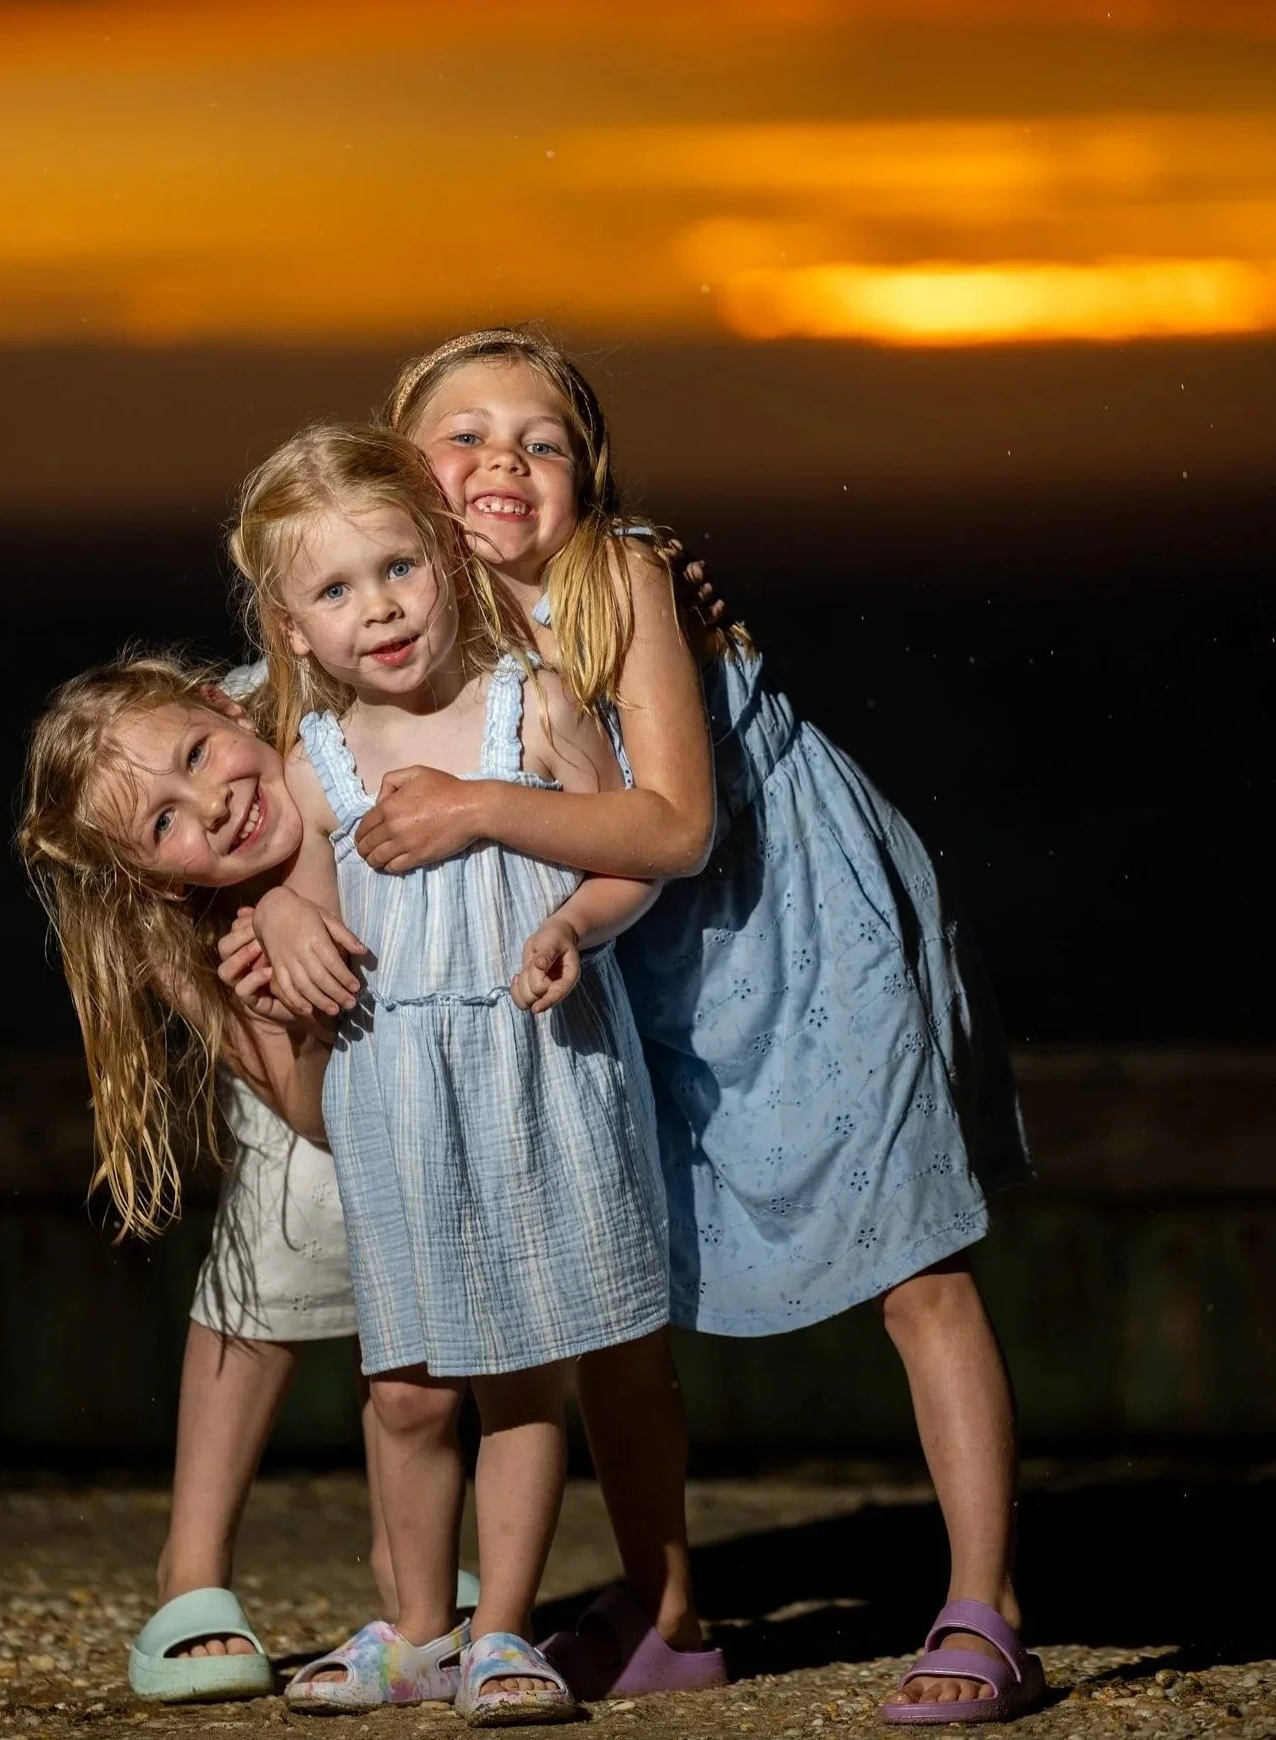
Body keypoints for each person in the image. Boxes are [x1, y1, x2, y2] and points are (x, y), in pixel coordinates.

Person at [353, 328, 1045, 1724]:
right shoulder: (424, 610)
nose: (504, 460)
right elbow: (293, 701)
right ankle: (664, 1605)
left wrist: (485, 812)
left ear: (589, 477)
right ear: (400, 472)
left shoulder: (618, 572)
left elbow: (674, 821)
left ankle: (987, 1602)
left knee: (910, 1252)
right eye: (465, 434)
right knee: (618, 1279)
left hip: (793, 916)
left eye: (543, 440)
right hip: (630, 941)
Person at [227, 421, 672, 1724]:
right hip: (395, 1099)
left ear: (446, 565)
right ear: (293, 625)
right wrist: (283, 920)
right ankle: (411, 1625)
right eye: (335, 589)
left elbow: (628, 849)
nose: (377, 607)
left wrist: (571, 923)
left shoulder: (526, 703)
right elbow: (300, 906)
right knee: (407, 1389)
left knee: (520, 1372)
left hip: (528, 1073)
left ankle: (497, 1630)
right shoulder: (312, 761)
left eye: (397, 570)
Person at [17, 655, 477, 1705]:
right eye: (167, 823)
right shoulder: (178, 927)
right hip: (309, 1093)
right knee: (282, 1239)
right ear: (161, 876)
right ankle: (190, 1569)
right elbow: (310, 1114)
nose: (211, 806)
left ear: (227, 704)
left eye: (196, 755)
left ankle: (404, 1549)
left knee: (414, 1281)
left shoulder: (316, 698)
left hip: (433, 1029)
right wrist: (298, 1001)